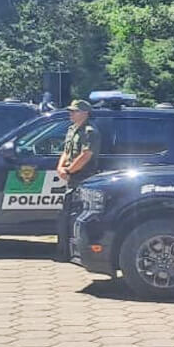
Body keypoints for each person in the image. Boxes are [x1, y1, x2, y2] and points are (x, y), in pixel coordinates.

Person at [54, 100, 102, 262]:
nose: (71, 114)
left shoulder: (90, 132)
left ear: (85, 113)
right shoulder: (72, 129)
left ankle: (77, 253)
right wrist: (61, 168)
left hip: (83, 178)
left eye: (74, 111)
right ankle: (63, 251)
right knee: (65, 216)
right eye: (71, 111)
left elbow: (86, 155)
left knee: (78, 217)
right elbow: (66, 152)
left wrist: (69, 170)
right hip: (71, 177)